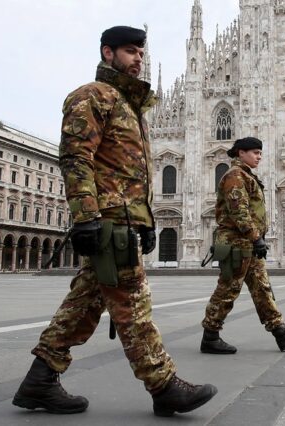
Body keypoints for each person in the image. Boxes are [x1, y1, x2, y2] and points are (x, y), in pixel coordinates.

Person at [12, 26, 216, 417]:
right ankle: (163, 385)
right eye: (129, 51)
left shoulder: (130, 105)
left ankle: (39, 380)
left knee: (85, 305)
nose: (137, 58)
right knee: (133, 306)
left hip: (124, 222)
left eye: (141, 51)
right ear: (108, 53)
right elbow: (76, 159)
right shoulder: (93, 97)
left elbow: (133, 173)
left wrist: (147, 220)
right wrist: (86, 217)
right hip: (106, 224)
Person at [200, 137, 285, 354]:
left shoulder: (246, 175)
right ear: (241, 153)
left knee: (262, 288)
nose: (259, 156)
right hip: (236, 243)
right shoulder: (235, 176)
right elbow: (238, 210)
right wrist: (255, 236)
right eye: (255, 152)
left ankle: (280, 332)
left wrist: (255, 238)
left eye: (260, 153)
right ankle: (210, 336)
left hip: (247, 243)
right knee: (228, 289)